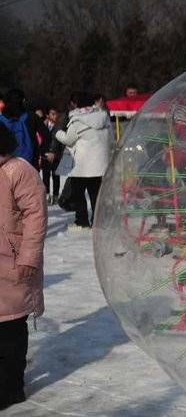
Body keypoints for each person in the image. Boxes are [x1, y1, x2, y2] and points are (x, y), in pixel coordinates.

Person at [0, 123, 47, 410]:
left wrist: (29, 257)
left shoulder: (18, 170)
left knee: (11, 329)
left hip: (13, 262)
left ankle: (11, 389)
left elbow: (36, 216)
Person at [55, 92, 113, 229]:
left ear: (76, 104)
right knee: (96, 195)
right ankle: (98, 222)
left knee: (79, 194)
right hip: (99, 166)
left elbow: (68, 140)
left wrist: (58, 133)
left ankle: (82, 221)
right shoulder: (104, 118)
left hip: (81, 166)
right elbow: (111, 140)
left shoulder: (77, 120)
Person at [0, 89, 50, 170]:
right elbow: (46, 135)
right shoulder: (32, 117)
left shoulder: (1, 119)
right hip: (30, 163)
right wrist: (42, 151)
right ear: (22, 101)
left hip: (4, 165)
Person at [41, 107, 64, 205]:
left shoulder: (60, 127)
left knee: (56, 176)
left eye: (56, 114)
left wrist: (57, 154)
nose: (55, 116)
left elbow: (61, 142)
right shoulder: (42, 125)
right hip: (45, 154)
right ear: (48, 115)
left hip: (56, 155)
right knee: (45, 175)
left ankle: (55, 196)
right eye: (52, 114)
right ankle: (46, 195)